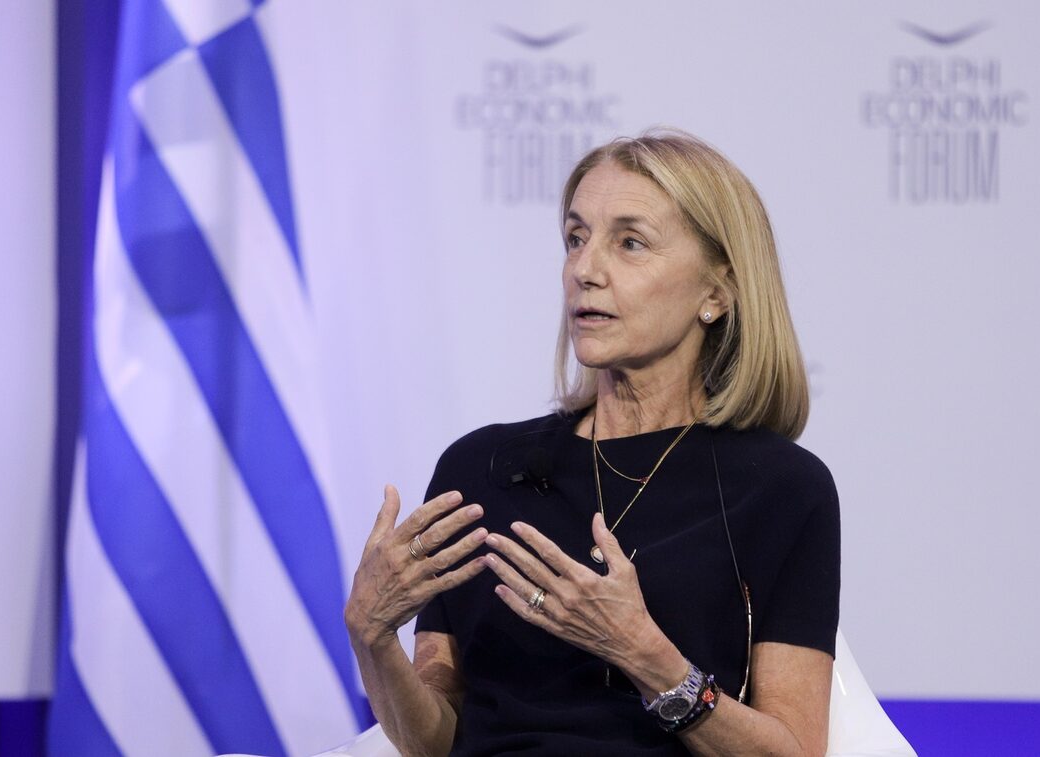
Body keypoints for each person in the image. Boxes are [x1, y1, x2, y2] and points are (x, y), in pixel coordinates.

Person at [345, 130, 840, 756]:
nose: (584, 270)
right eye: (576, 238)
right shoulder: (479, 469)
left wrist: (646, 655)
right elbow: (435, 743)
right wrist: (371, 638)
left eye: (630, 243)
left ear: (717, 292)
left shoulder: (780, 488)